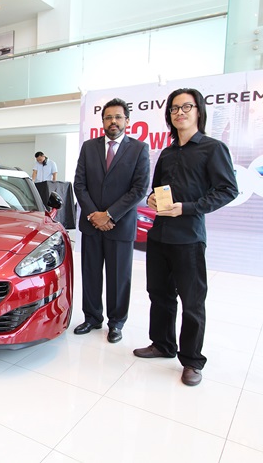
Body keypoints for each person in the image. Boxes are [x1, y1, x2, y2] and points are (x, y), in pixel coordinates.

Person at [133, 88, 238, 386]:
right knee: (159, 294)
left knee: (192, 302)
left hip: (189, 237)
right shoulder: (166, 153)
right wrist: (152, 200)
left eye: (186, 107)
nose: (180, 113)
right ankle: (163, 344)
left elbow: (228, 190)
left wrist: (188, 208)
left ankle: (192, 361)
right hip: (159, 235)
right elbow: (156, 190)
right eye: (174, 108)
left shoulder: (213, 148)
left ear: (198, 111)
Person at [73, 98, 150, 343]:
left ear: (127, 121)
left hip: (120, 225)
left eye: (118, 117)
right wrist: (94, 215)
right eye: (108, 117)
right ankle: (92, 318)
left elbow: (139, 189)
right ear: (103, 121)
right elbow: (79, 184)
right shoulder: (89, 147)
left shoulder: (139, 148)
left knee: (119, 278)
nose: (113, 121)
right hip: (91, 225)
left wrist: (109, 214)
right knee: (91, 274)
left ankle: (116, 323)